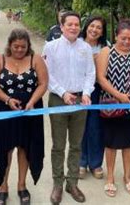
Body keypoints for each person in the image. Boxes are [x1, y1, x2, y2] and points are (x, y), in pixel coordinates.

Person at [0, 29, 48, 205]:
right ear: (9, 45)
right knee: (5, 149)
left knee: (25, 148)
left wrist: (32, 101)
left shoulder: (35, 59)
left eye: (23, 46)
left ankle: (22, 185)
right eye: (16, 46)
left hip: (30, 111)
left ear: (28, 46)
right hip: (5, 110)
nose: (20, 50)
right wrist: (7, 99)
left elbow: (43, 83)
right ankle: (3, 186)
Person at [43, 11, 95, 204]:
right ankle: (58, 183)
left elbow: (90, 73)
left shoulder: (85, 48)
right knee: (58, 145)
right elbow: (47, 75)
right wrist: (63, 92)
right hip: (58, 99)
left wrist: (87, 92)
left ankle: (72, 183)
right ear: (62, 26)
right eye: (69, 24)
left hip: (81, 100)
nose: (73, 27)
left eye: (76, 24)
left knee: (76, 144)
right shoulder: (51, 46)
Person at [96, 20, 130, 197]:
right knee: (110, 143)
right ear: (116, 37)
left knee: (128, 143)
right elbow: (101, 78)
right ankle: (110, 177)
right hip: (111, 106)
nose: (127, 42)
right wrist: (119, 96)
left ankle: (127, 177)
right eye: (123, 38)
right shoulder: (106, 52)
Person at [78, 16, 108, 180]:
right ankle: (81, 162)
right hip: (77, 90)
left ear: (102, 32)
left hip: (98, 91)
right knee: (80, 126)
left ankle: (96, 164)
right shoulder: (76, 43)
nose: (94, 30)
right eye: (92, 26)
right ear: (86, 26)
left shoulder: (105, 47)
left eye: (99, 27)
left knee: (96, 128)